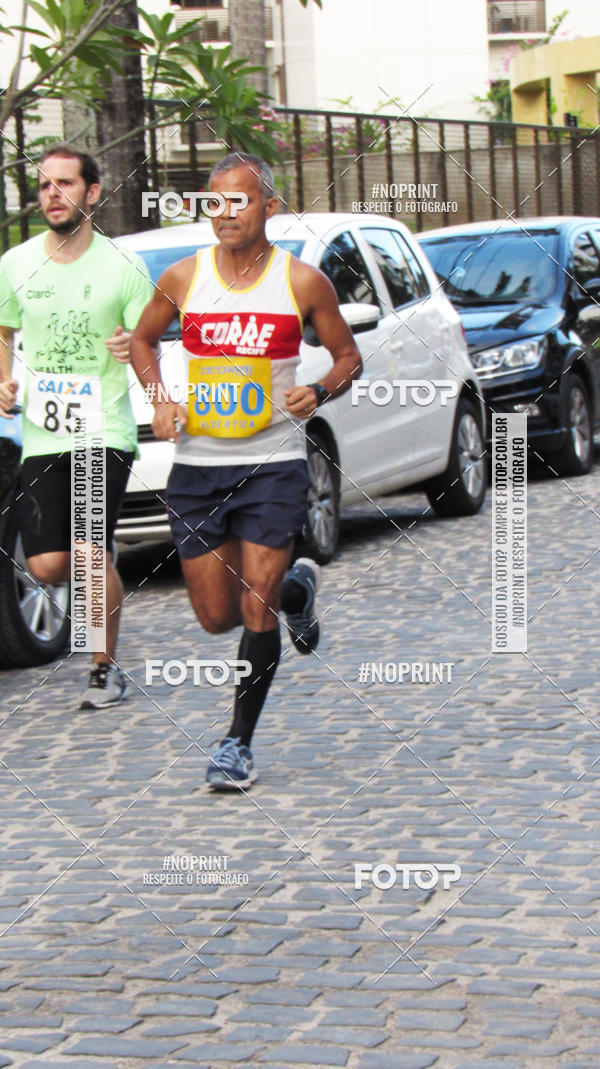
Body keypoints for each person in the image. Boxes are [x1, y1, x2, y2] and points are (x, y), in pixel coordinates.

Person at [130, 151, 362, 788]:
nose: (226, 213)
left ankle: (237, 743)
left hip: (273, 462)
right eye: (215, 201)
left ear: (269, 208)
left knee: (254, 607)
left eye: (240, 200)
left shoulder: (303, 282)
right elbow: (144, 341)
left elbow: (347, 357)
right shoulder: (182, 278)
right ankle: (297, 590)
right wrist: (160, 400)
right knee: (216, 615)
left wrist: (317, 393)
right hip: (198, 468)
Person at [0, 143, 153, 707]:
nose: (52, 194)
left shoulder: (122, 264)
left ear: (91, 193)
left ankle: (103, 669)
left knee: (87, 553)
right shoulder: (15, 264)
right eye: (44, 185)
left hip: (103, 427)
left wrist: (128, 346)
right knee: (46, 563)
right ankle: (101, 573)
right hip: (42, 432)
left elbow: (147, 337)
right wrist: (3, 379)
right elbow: (3, 328)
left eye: (64, 184)